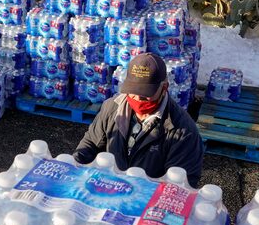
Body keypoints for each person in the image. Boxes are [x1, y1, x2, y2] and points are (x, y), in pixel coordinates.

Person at [74, 53, 204, 187]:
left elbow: (181, 185)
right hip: (108, 189)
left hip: (146, 200)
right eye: (133, 90)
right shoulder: (111, 108)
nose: (137, 98)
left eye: (146, 93)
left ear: (164, 88)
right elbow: (89, 146)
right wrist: (73, 172)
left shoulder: (183, 131)